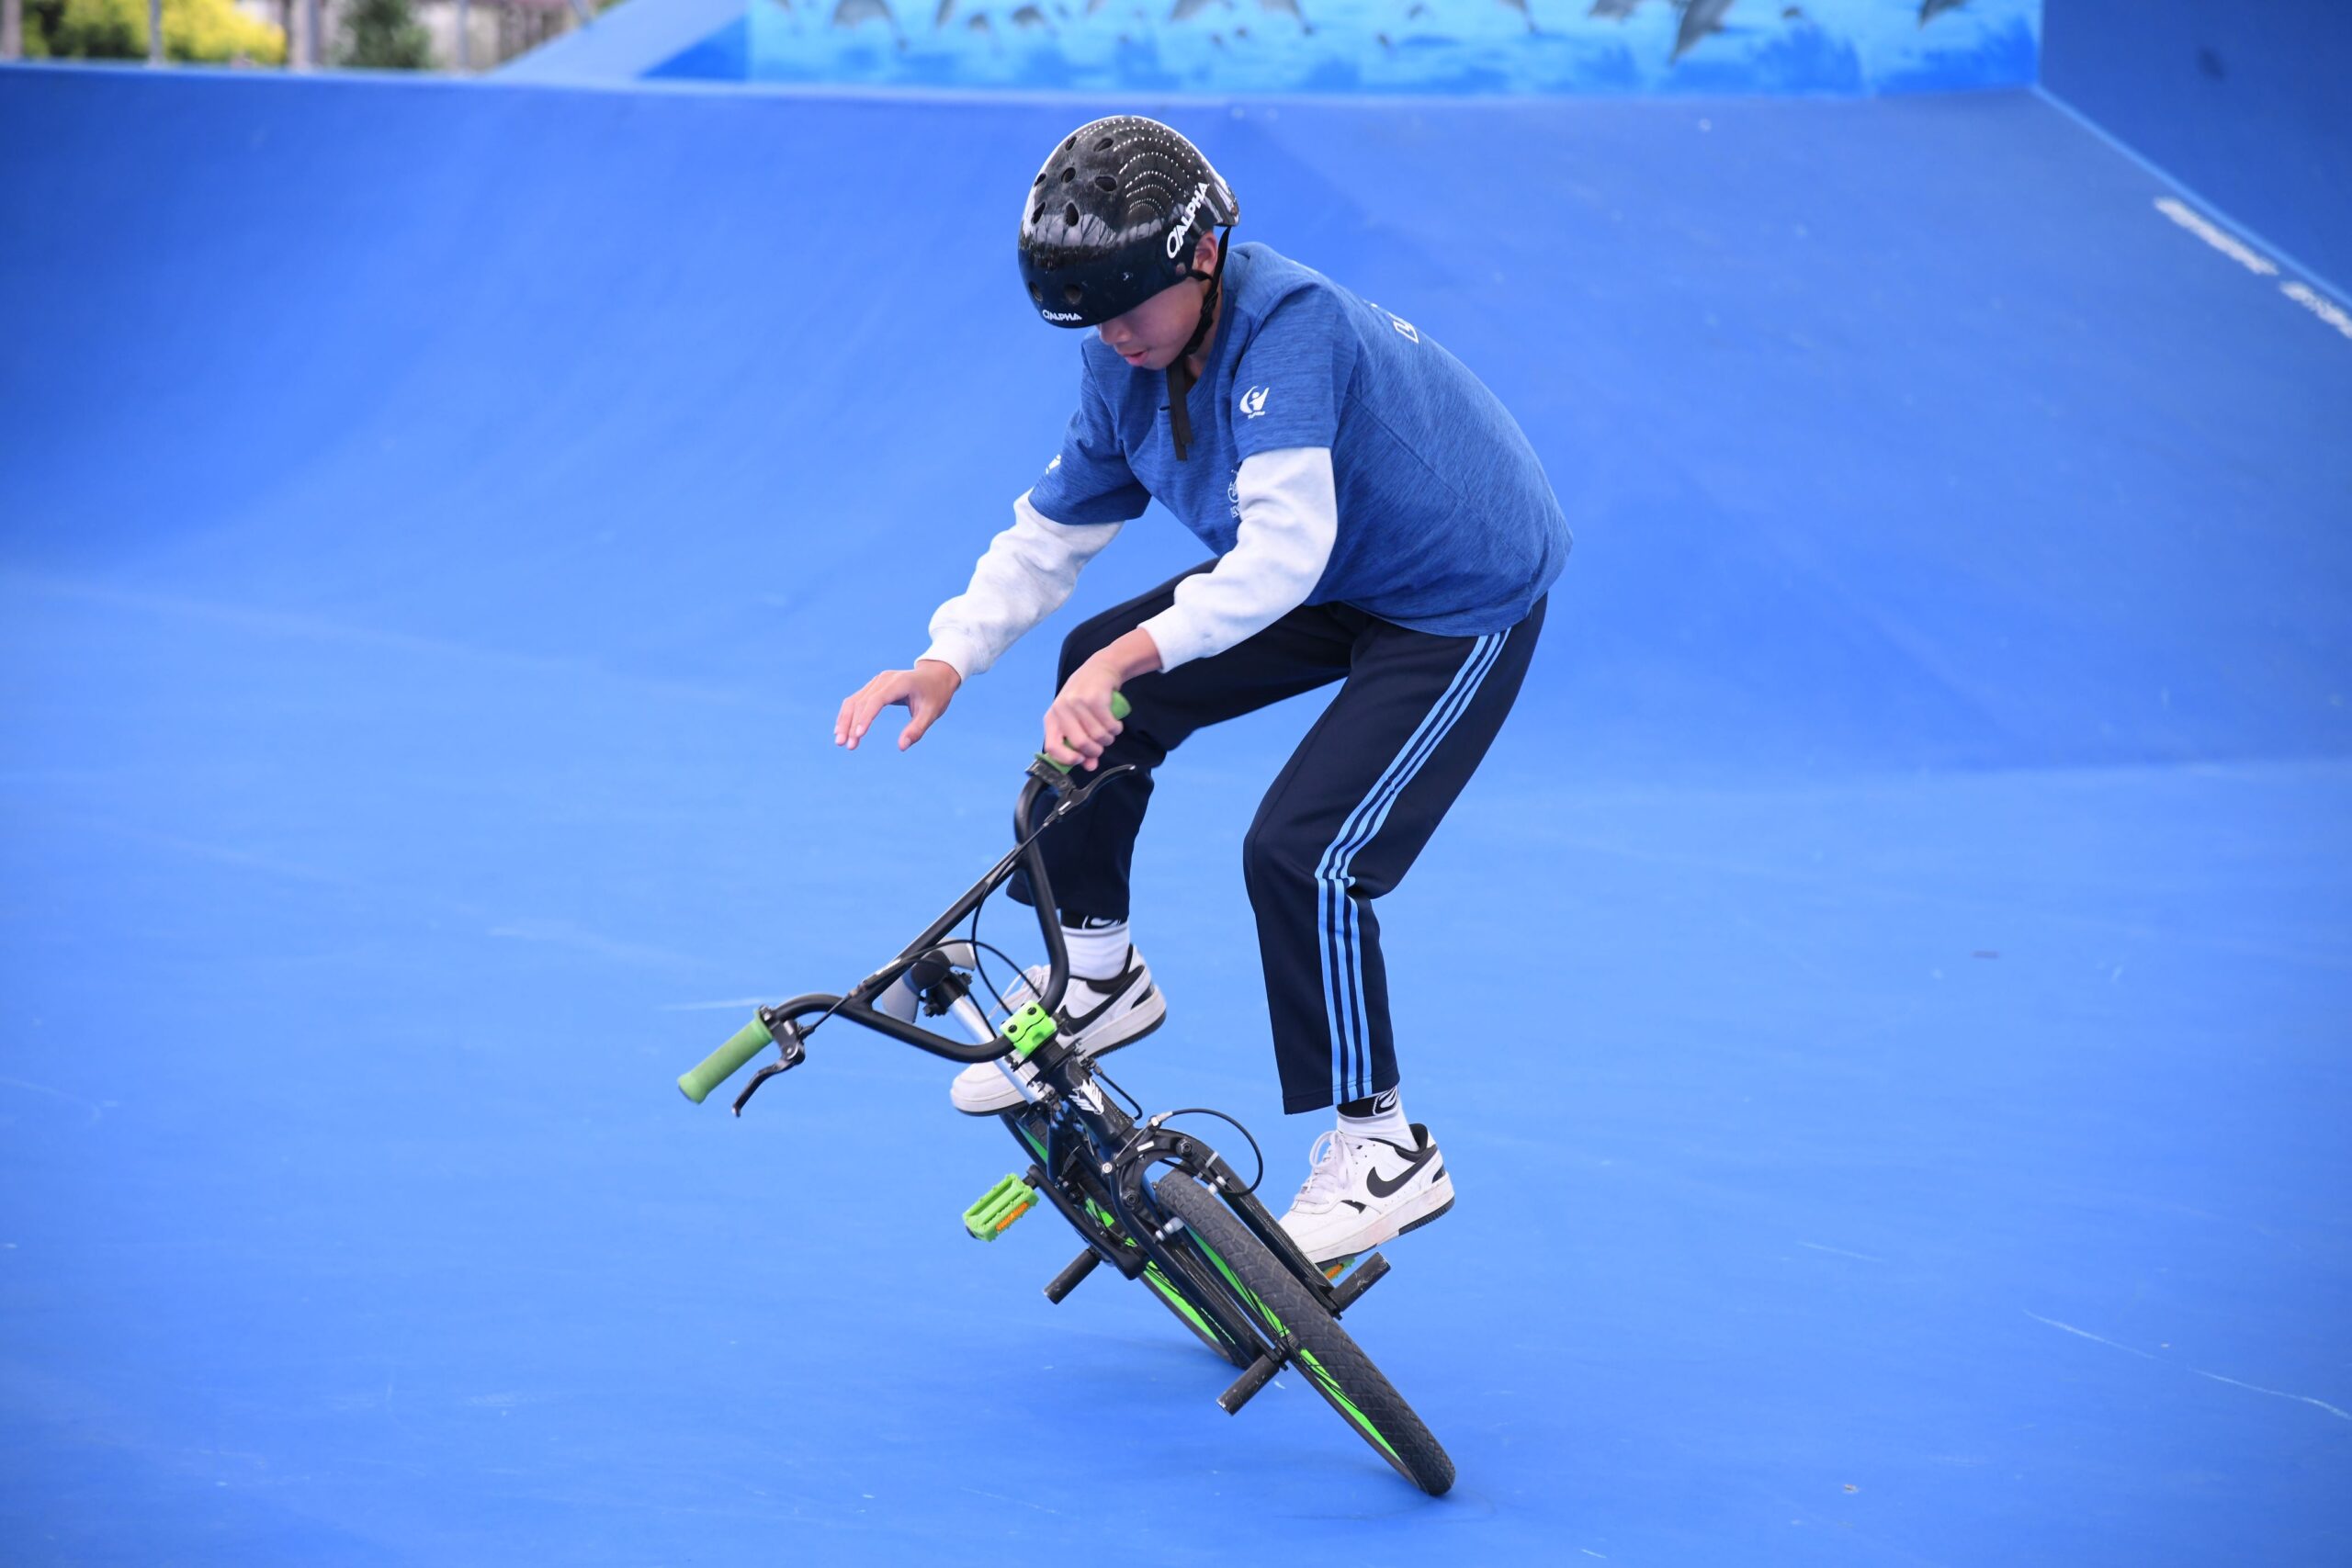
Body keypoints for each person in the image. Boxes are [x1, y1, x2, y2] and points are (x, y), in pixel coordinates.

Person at [834, 115, 1568, 1265]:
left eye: (1132, 308)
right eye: (1089, 319)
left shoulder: (1292, 330)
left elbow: (1279, 557)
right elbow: (1047, 536)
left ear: (1205, 258)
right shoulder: (1118, 359)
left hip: (1451, 594)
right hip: (1338, 570)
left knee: (1302, 852)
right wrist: (946, 657)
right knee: (1094, 675)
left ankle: (1383, 1148)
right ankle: (1099, 974)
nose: (1114, 338)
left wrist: (1121, 664)